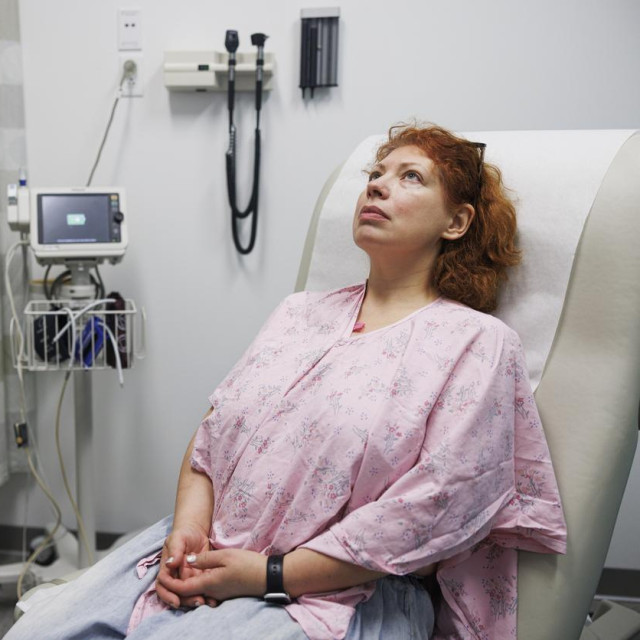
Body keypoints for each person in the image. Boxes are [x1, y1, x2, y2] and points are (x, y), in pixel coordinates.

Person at [7, 124, 567, 640]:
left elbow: (441, 502)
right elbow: (213, 433)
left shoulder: (477, 342)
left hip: (340, 595)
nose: (376, 188)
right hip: (209, 556)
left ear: (456, 221)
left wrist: (271, 573)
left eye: (409, 177)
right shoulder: (299, 314)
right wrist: (187, 530)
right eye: (374, 175)